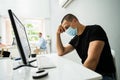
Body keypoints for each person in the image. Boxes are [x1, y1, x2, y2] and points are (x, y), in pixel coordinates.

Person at [56, 14, 116, 80]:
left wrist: (79, 76)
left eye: (67, 27)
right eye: (65, 30)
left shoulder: (95, 30)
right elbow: (61, 52)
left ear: (75, 20)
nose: (67, 31)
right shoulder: (76, 39)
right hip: (90, 73)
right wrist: (57, 34)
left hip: (103, 75)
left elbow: (92, 61)